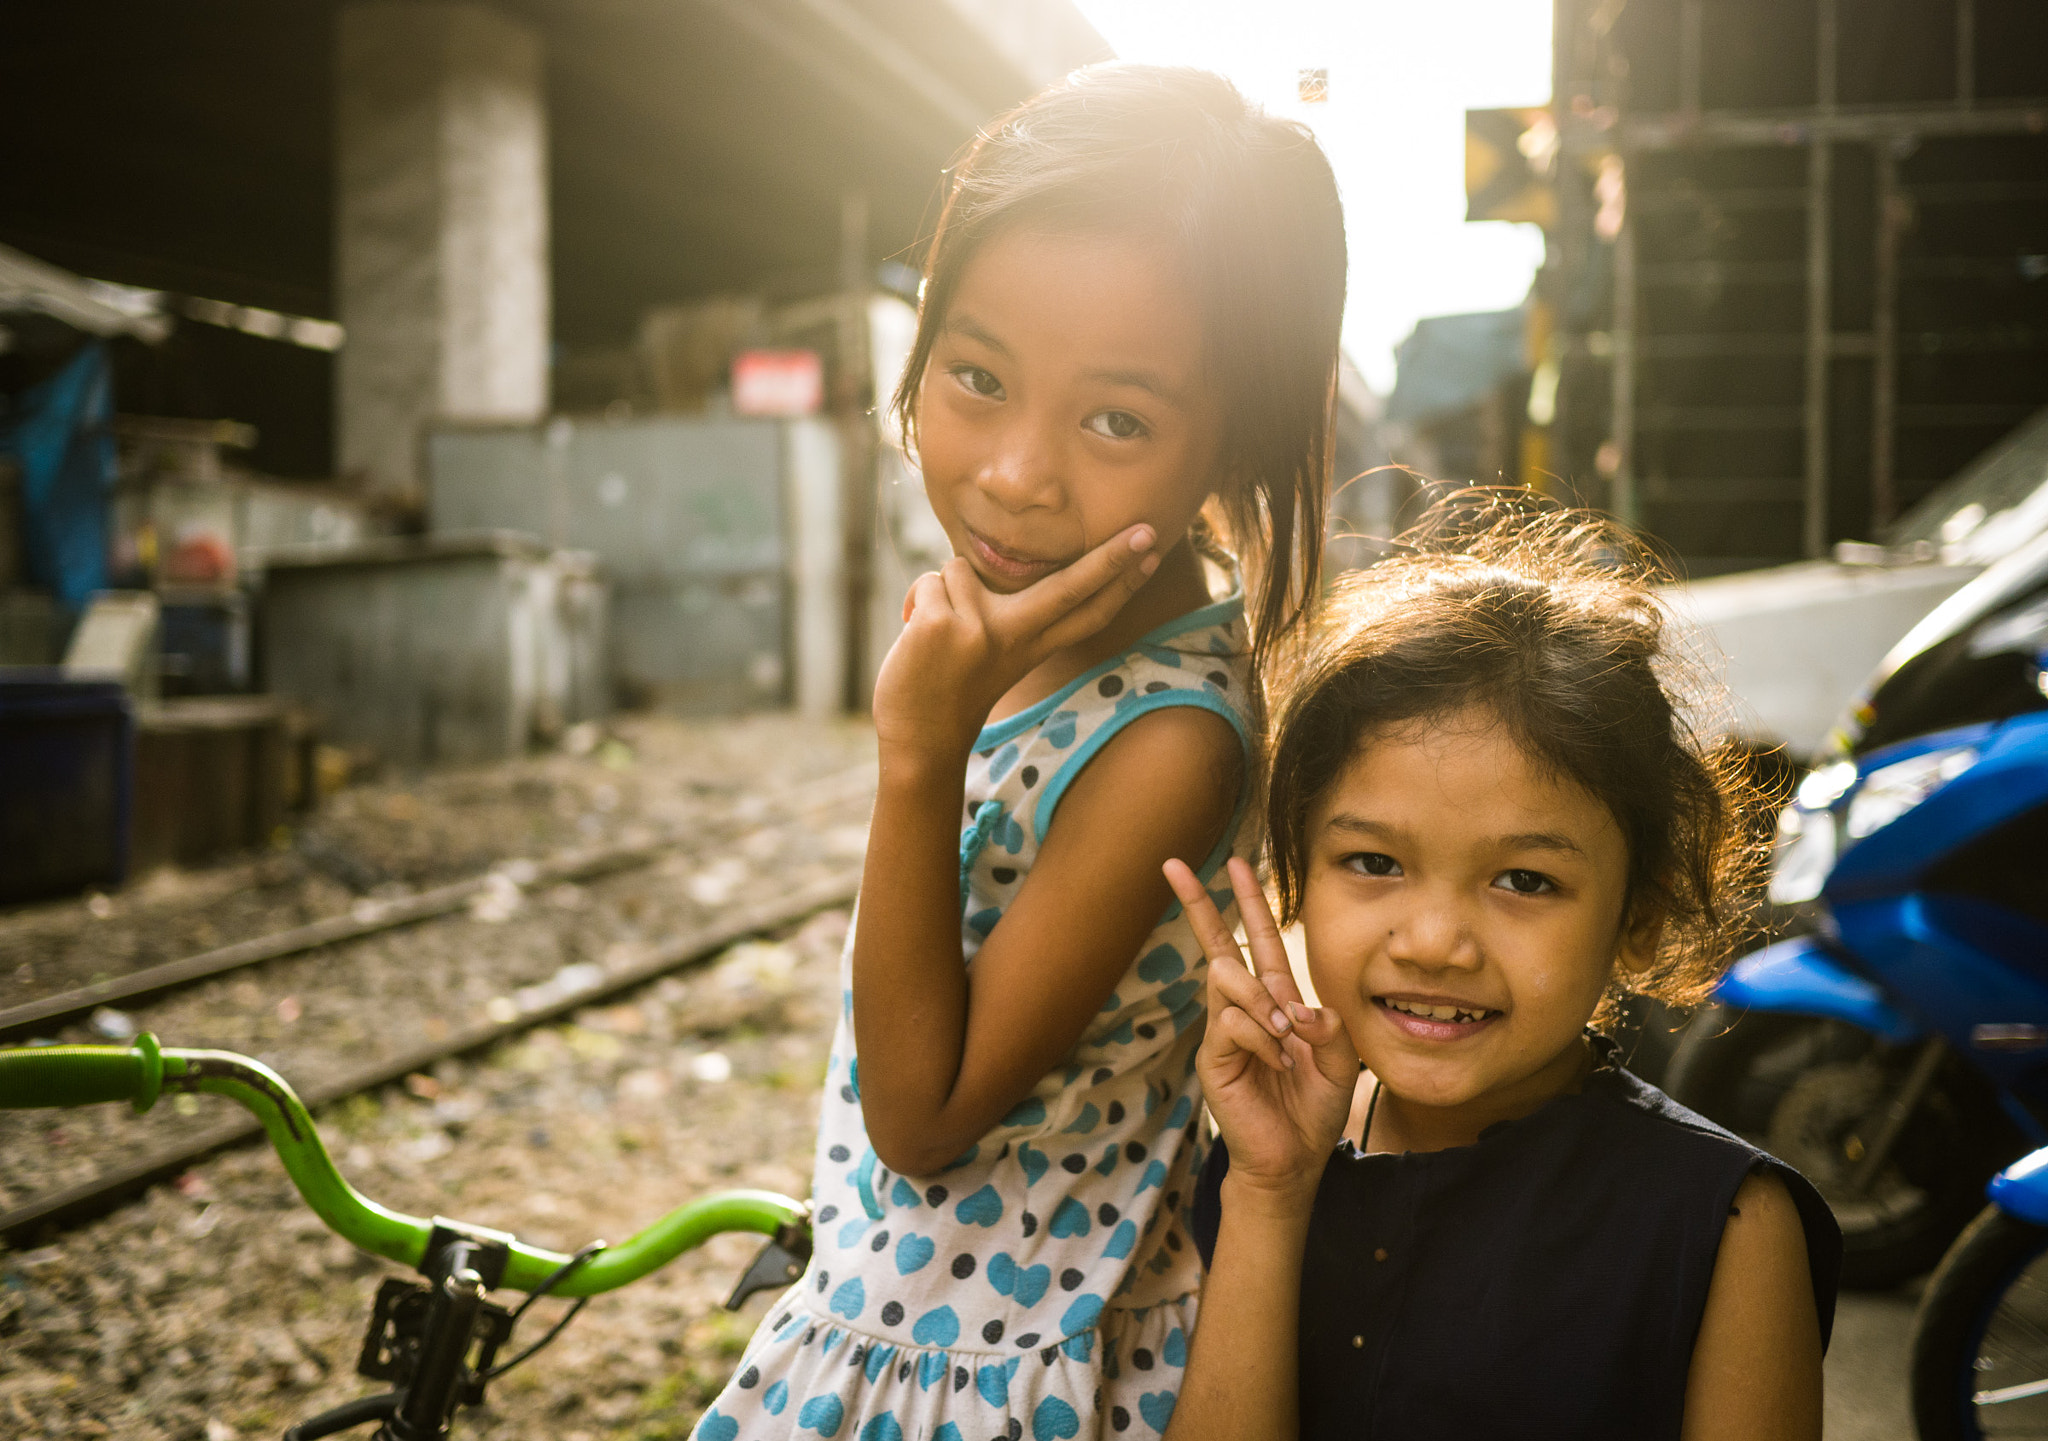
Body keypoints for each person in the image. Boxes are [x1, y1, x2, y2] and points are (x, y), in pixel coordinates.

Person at [692, 64, 1346, 1441]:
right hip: (901, 1294)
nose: (1014, 474)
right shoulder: (1040, 619)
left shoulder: (1165, 739)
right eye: (976, 377)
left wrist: (918, 753)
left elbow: (922, 1116)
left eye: (1117, 419)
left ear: (1234, 434)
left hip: (995, 1367)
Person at [1161, 496, 1842, 1441]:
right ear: (1296, 880)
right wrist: (1272, 1195)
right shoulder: (1263, 1154)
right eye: (1374, 862)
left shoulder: (1723, 1229)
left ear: (1636, 917)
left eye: (1524, 878)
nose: (1435, 940)